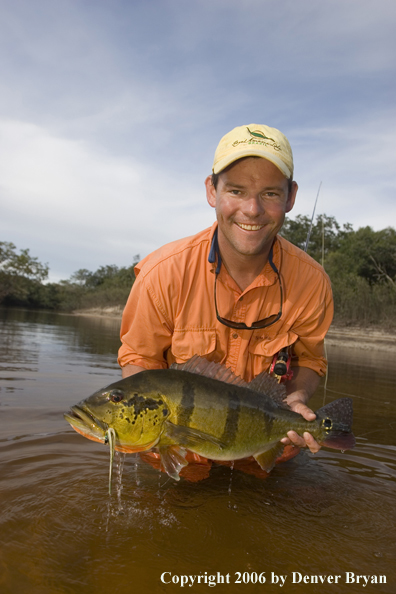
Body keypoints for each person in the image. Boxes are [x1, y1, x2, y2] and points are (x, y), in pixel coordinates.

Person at [118, 123, 333, 458]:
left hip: (267, 443)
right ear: (211, 190)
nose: (252, 209)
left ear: (290, 197)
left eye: (270, 194)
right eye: (236, 190)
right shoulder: (162, 274)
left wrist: (297, 398)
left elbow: (310, 360)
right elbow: (140, 359)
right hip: (181, 449)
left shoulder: (312, 282)